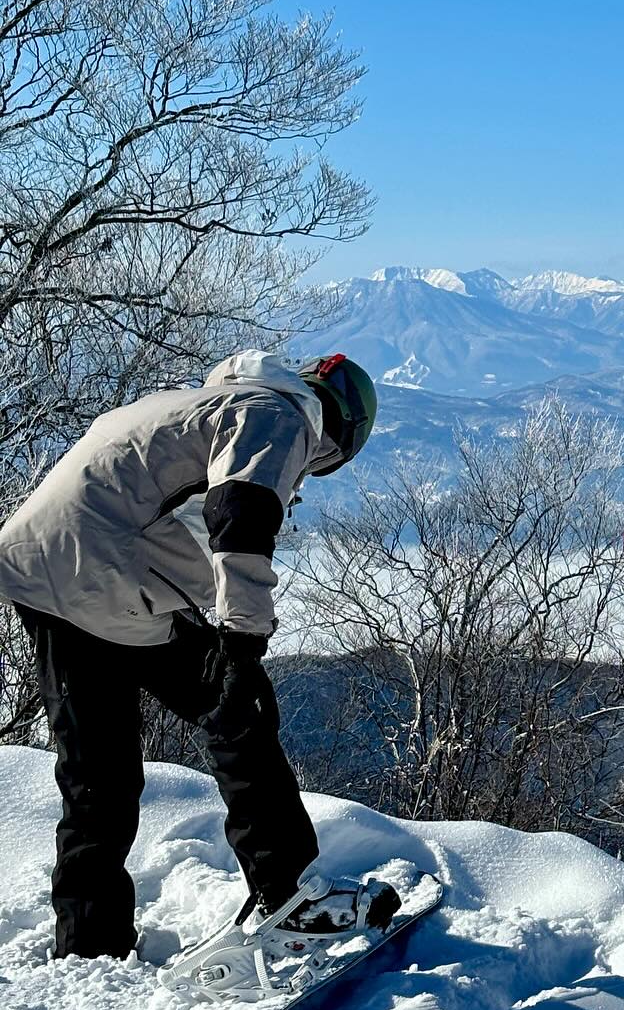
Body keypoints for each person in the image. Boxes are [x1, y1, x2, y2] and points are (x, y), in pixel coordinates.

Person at [0, 350, 380, 965]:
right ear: (340, 432)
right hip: (110, 576)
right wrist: (242, 641)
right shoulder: (280, 414)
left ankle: (90, 944)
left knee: (96, 774)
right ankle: (288, 895)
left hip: (38, 578)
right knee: (241, 710)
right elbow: (241, 516)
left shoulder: (189, 402)